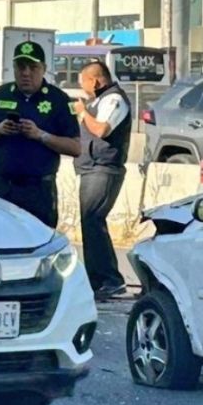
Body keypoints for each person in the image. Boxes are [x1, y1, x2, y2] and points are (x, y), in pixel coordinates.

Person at [0, 41, 81, 228]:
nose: (26, 73)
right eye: (21, 67)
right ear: (14, 69)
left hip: (37, 190)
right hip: (1, 187)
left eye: (33, 67)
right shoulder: (0, 95)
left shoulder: (58, 100)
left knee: (38, 242)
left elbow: (75, 148)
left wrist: (40, 135)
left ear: (44, 69)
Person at [73, 60, 132, 300]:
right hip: (91, 168)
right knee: (89, 223)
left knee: (93, 220)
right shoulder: (98, 101)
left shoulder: (113, 100)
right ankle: (96, 280)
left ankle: (111, 279)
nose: (84, 90)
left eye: (85, 84)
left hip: (104, 168)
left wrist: (82, 112)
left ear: (96, 81)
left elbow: (101, 130)